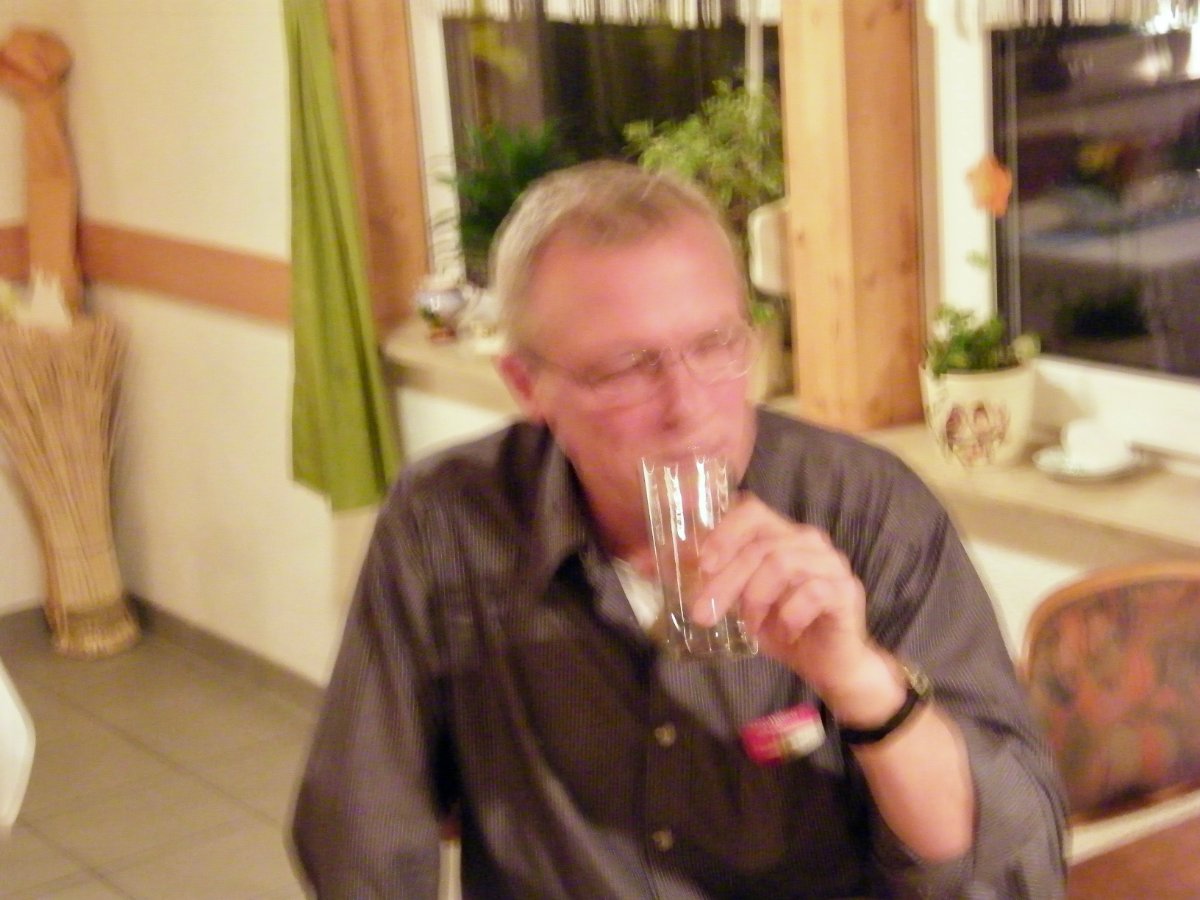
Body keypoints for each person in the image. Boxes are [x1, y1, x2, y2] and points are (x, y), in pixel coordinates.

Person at [291, 160, 1067, 898]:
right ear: (529, 386)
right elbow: (361, 822)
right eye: (626, 368)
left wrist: (863, 682)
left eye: (715, 345)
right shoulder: (448, 518)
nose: (690, 408)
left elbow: (1014, 866)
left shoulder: (865, 507)